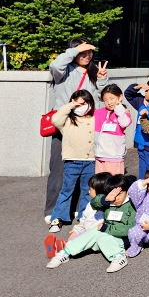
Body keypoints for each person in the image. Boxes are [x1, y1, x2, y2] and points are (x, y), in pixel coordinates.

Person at [45, 38, 108, 224]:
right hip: (65, 125)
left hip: (87, 128)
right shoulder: (63, 71)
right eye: (82, 51)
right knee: (58, 170)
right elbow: (55, 65)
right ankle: (53, 210)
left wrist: (103, 80)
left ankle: (79, 210)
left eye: (89, 52)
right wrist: (74, 51)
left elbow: (101, 98)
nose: (87, 55)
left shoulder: (94, 72)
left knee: (85, 172)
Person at [46, 174, 136, 273]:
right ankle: (65, 252)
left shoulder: (131, 206)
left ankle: (118, 257)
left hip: (122, 240)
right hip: (105, 237)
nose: (116, 198)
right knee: (94, 231)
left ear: (127, 192)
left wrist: (107, 228)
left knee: (101, 235)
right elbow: (94, 203)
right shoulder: (110, 203)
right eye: (113, 194)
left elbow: (130, 229)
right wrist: (106, 199)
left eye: (119, 194)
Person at [48, 90, 96, 233]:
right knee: (66, 190)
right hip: (72, 161)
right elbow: (55, 119)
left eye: (84, 103)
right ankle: (58, 217)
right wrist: (71, 105)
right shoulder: (67, 121)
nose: (81, 106)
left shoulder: (94, 119)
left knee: (87, 191)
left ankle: (84, 216)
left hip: (91, 161)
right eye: (77, 103)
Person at [45, 172, 111, 257]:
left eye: (91, 189)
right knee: (76, 235)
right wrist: (76, 230)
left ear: (100, 191)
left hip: (96, 236)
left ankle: (64, 247)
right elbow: (84, 220)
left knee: (81, 239)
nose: (88, 191)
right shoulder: (90, 205)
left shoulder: (107, 208)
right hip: (86, 229)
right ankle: (62, 245)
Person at [91, 84, 131, 176]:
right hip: (99, 155)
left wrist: (120, 109)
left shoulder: (123, 113)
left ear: (120, 97)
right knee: (100, 184)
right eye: (105, 100)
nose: (109, 102)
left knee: (113, 184)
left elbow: (124, 123)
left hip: (114, 157)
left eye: (112, 98)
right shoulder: (99, 112)